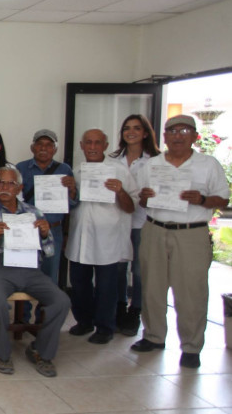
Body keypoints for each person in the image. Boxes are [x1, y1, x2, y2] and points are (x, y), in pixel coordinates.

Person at [132, 114, 230, 369]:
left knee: (191, 291)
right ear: (164, 136)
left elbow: (223, 199)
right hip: (155, 229)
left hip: (191, 233)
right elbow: (142, 201)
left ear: (195, 136)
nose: (178, 136)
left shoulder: (208, 165)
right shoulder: (151, 165)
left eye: (184, 131)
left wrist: (202, 199)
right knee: (152, 287)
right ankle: (153, 336)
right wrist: (145, 197)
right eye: (172, 131)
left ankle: (191, 347)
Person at [0, 166, 71, 377]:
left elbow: (50, 251)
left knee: (61, 301)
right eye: (1, 182)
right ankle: (2, 353)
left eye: (11, 184)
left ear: (19, 188)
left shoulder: (33, 213)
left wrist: (45, 235)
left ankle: (41, 351)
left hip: (30, 266)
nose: (5, 187)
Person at [66, 130, 138, 344]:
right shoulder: (77, 172)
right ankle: (84, 321)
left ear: (105, 145)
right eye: (88, 142)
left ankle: (105, 327)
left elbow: (131, 207)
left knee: (107, 286)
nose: (92, 147)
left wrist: (120, 191)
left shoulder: (119, 171)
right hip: (80, 236)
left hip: (108, 239)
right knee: (79, 284)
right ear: (81, 145)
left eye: (97, 143)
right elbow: (70, 205)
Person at [110, 114, 160, 336]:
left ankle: (135, 310)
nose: (131, 132)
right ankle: (119, 307)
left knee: (139, 270)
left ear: (146, 133)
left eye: (137, 128)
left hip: (142, 221)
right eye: (127, 128)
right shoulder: (113, 160)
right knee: (118, 268)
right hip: (118, 220)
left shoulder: (156, 161)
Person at [16, 129, 77, 286]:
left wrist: (72, 190)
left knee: (50, 277)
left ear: (55, 149)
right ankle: (25, 304)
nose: (44, 148)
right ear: (32, 147)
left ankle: (48, 303)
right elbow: (12, 201)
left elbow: (72, 205)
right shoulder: (20, 168)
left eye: (49, 145)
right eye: (40, 144)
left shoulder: (64, 170)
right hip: (27, 229)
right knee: (25, 275)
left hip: (53, 230)